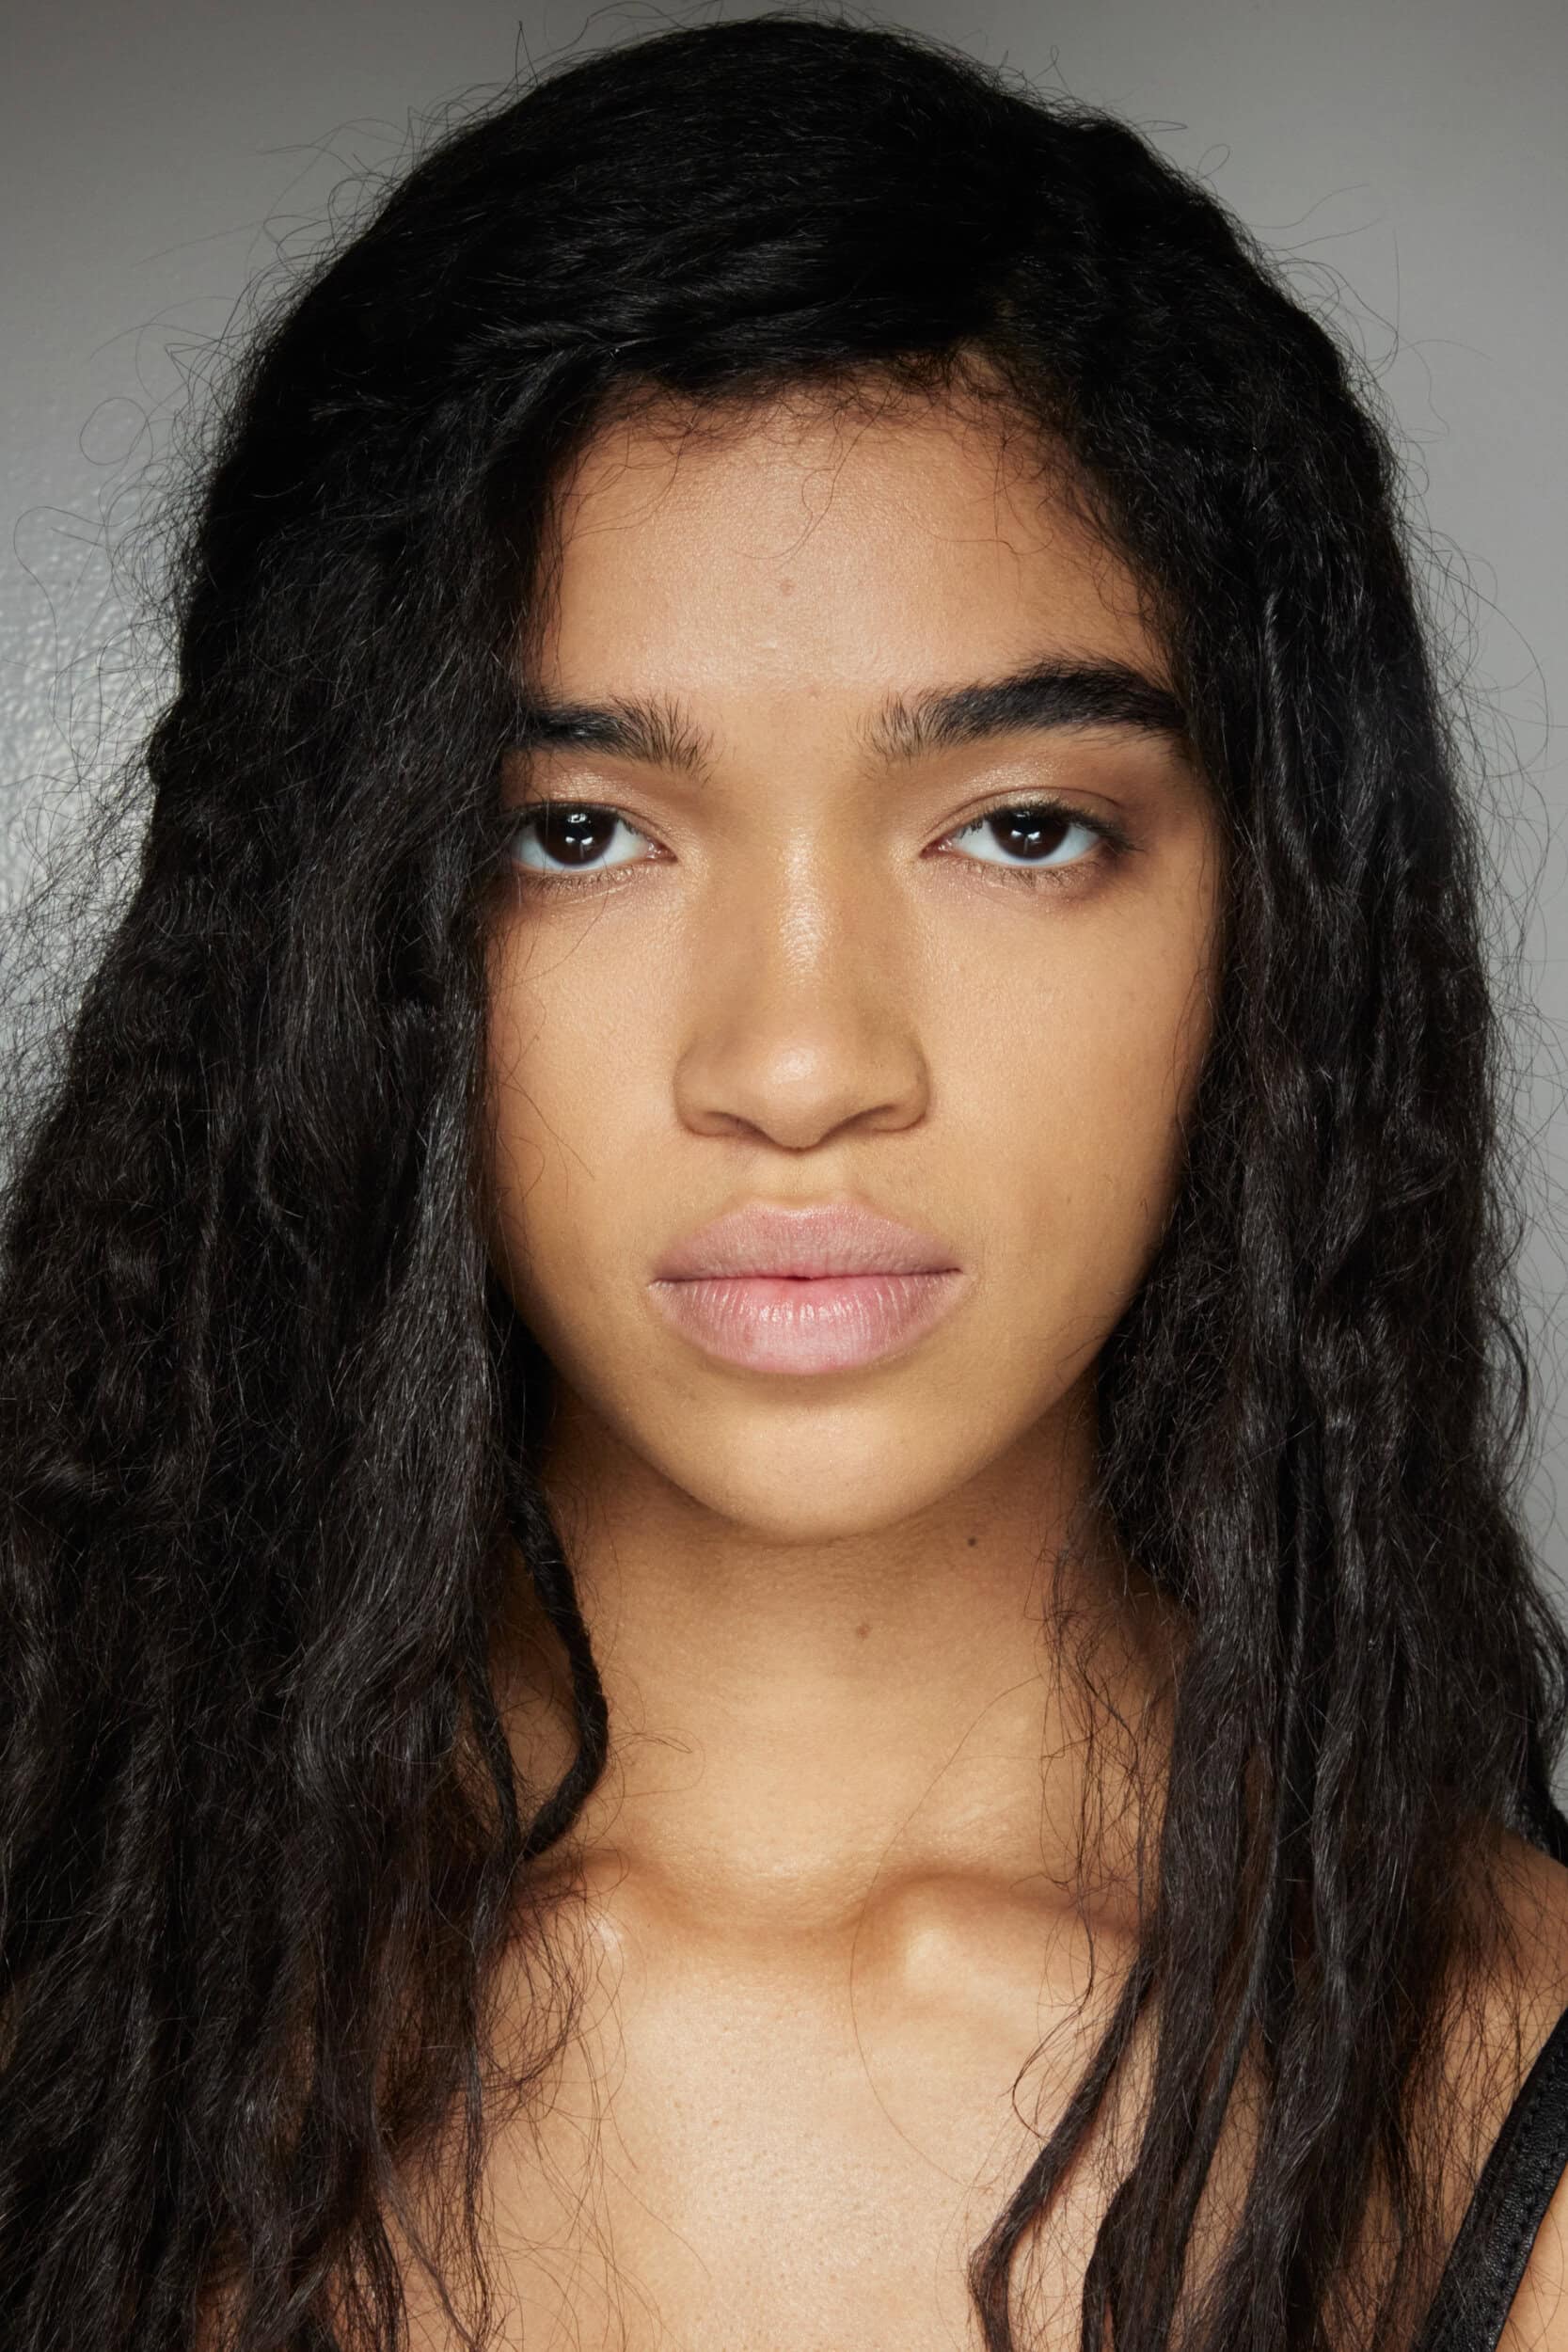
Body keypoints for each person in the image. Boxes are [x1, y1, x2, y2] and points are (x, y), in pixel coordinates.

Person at [2, 10, 1566, 2349]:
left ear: (1277, 929)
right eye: (577, 833)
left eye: (1018, 828)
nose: (802, 1064)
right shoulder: (69, 2025)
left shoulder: (1508, 2099)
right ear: (329, 929)